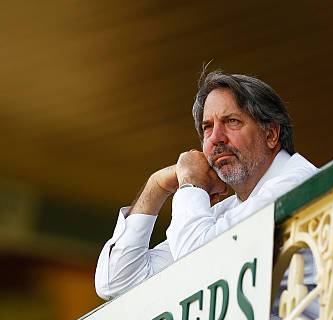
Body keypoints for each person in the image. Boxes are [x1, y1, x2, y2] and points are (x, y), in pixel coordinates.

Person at [95, 71, 319, 304]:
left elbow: (200, 265)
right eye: (208, 127)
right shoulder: (226, 212)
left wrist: (191, 184)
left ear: (271, 134)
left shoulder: (297, 183)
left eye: (232, 121)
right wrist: (158, 184)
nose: (216, 138)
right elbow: (116, 283)